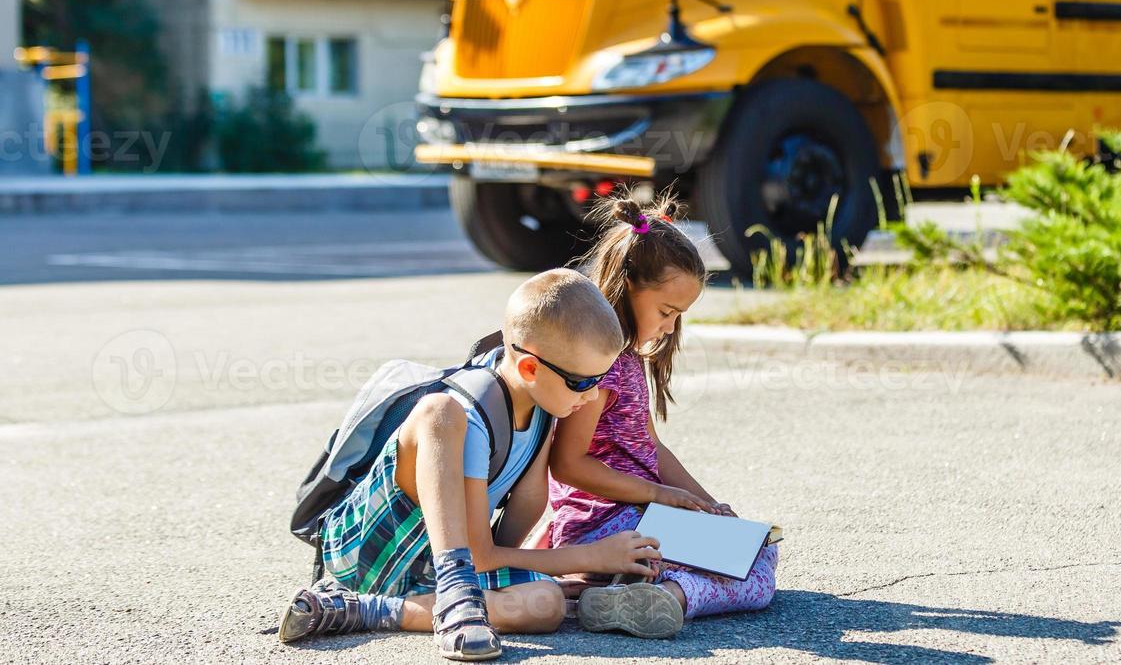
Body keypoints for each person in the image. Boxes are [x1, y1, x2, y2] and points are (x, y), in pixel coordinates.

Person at [277, 268, 666, 661]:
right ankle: (454, 592)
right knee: (438, 410)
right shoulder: (473, 408)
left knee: (546, 604)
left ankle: (356, 610)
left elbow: (499, 546)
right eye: (583, 383)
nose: (593, 395)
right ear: (530, 368)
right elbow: (483, 556)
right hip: (370, 549)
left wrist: (543, 571)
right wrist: (591, 556)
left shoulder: (545, 409)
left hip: (437, 567)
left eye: (600, 379)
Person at [549, 194, 779, 639]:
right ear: (626, 285)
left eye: (679, 316)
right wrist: (659, 495)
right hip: (603, 527)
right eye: (666, 312)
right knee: (751, 568)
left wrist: (707, 506)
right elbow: (568, 464)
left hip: (637, 518)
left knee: (754, 546)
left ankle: (621, 591)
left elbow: (650, 446)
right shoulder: (599, 366)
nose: (671, 327)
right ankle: (668, 597)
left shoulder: (628, 358)